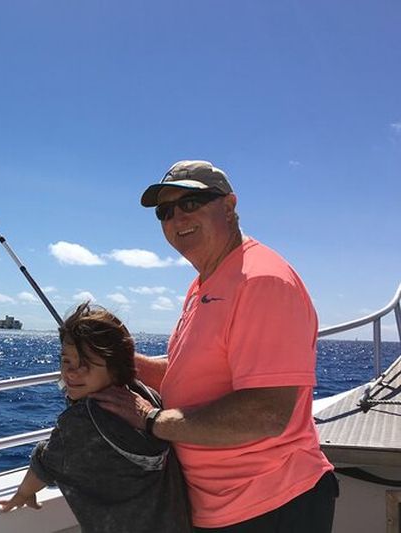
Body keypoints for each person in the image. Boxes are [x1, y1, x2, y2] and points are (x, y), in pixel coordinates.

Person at [92, 160, 337, 532]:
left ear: (229, 206)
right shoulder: (203, 285)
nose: (176, 218)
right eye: (165, 211)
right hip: (217, 507)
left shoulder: (262, 281)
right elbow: (187, 378)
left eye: (190, 203)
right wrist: (115, 364)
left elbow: (266, 413)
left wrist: (151, 419)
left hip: (273, 507)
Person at [0, 302, 192, 533]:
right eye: (66, 360)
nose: (71, 372)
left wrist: (24, 493)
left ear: (115, 369)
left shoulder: (79, 421)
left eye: (85, 364)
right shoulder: (147, 397)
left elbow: (46, 462)